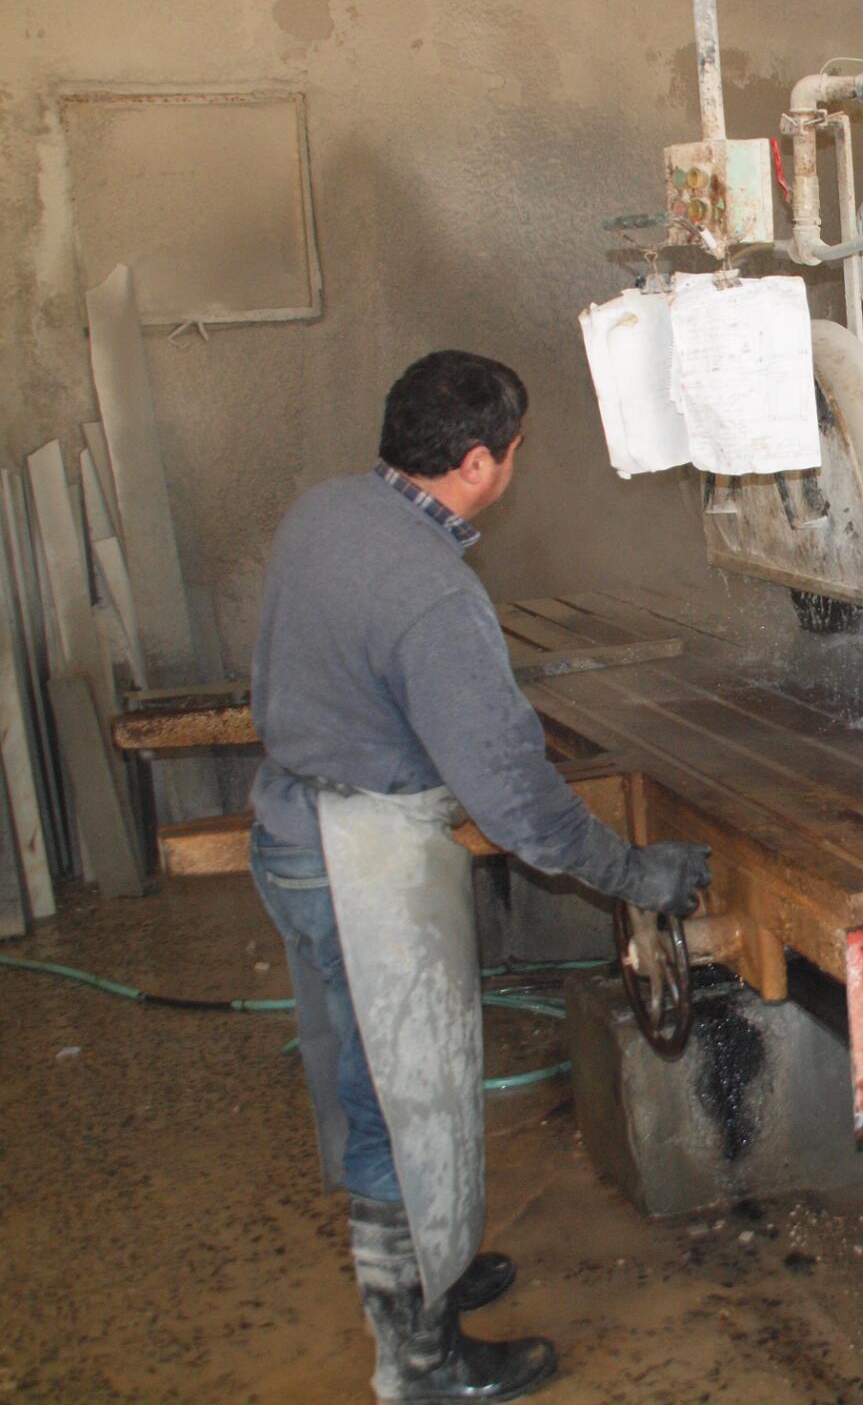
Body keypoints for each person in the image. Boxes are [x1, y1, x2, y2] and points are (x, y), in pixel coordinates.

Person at [248, 350, 710, 1402]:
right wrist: (635, 874)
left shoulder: (328, 511)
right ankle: (418, 1363)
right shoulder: (436, 598)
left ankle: (427, 1276)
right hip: (358, 864)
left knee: (371, 1083)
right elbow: (520, 808)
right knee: (398, 1109)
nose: (514, 463)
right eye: (514, 449)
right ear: (476, 464)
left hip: (290, 828)